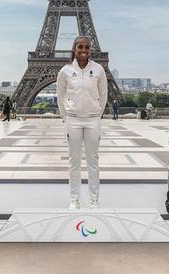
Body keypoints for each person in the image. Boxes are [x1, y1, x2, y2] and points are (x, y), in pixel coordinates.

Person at [56, 36, 108, 210]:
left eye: (86, 47)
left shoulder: (98, 69)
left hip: (93, 120)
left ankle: (94, 199)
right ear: (74, 49)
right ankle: (74, 199)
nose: (84, 50)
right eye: (80, 47)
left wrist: (96, 115)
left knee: (93, 162)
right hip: (74, 120)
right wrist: (66, 117)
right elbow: (60, 96)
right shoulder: (65, 71)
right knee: (74, 162)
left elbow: (104, 94)